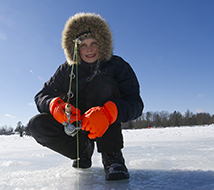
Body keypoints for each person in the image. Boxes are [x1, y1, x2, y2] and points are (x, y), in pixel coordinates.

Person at [28, 13, 143, 180]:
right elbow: (42, 95)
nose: (89, 49)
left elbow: (135, 104)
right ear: (75, 48)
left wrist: (108, 112)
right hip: (76, 127)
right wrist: (54, 105)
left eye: (94, 43)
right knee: (36, 125)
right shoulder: (66, 70)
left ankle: (112, 157)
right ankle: (83, 151)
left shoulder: (118, 66)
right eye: (83, 45)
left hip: (106, 126)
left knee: (102, 81)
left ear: (102, 44)